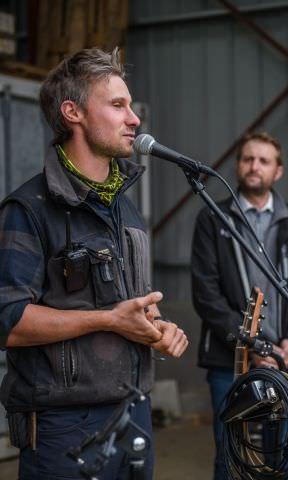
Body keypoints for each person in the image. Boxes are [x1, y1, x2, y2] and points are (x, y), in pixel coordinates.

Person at [0, 47, 188, 480]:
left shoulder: (127, 206)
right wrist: (108, 320)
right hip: (63, 427)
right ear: (73, 112)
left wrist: (155, 327)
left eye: (130, 105)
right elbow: (8, 321)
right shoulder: (28, 209)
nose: (134, 118)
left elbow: (130, 303)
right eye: (117, 105)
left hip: (135, 412)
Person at [191, 131, 288, 479]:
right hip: (230, 360)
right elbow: (205, 293)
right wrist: (249, 345)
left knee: (287, 456)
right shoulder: (212, 218)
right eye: (247, 159)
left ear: (278, 171)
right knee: (230, 457)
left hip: (287, 359)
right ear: (238, 165)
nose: (254, 166)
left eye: (263, 160)